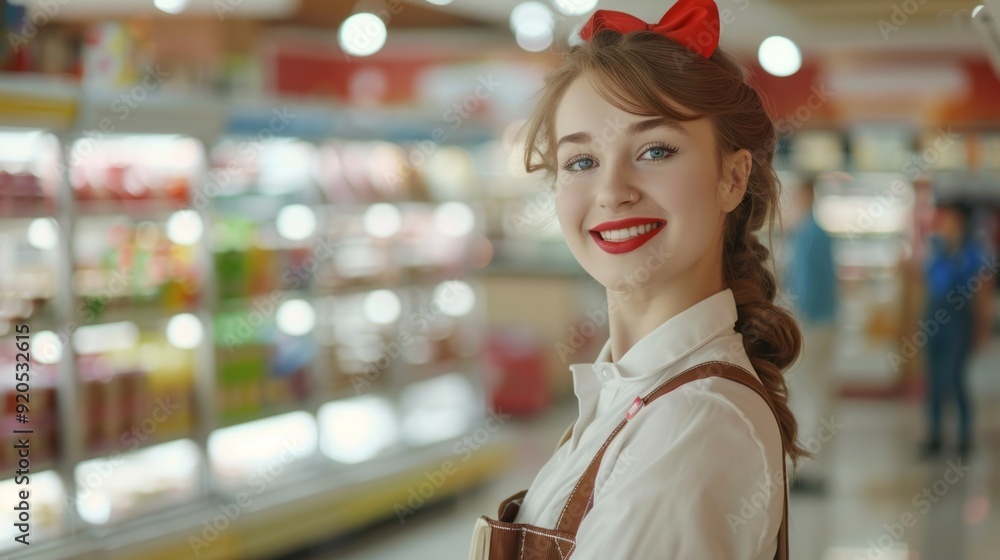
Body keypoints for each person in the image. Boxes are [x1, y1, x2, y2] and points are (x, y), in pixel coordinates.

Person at [469, 2, 803, 559]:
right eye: (580, 162)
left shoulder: (691, 423)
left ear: (732, 177)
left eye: (655, 150)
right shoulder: (629, 392)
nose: (612, 190)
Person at [920, 200, 994, 458]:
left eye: (950, 221)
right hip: (933, 322)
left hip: (959, 322)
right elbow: (927, 283)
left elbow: (982, 292)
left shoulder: (974, 253)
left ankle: (964, 434)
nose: (945, 226)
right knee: (934, 381)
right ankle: (935, 434)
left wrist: (982, 327)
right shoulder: (937, 249)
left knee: (953, 378)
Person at [783, 176, 838, 494]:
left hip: (811, 325)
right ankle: (811, 467)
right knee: (816, 392)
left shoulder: (806, 234)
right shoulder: (820, 233)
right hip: (824, 323)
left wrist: (794, 322)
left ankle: (809, 470)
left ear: (806, 196)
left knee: (808, 395)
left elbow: (805, 289)